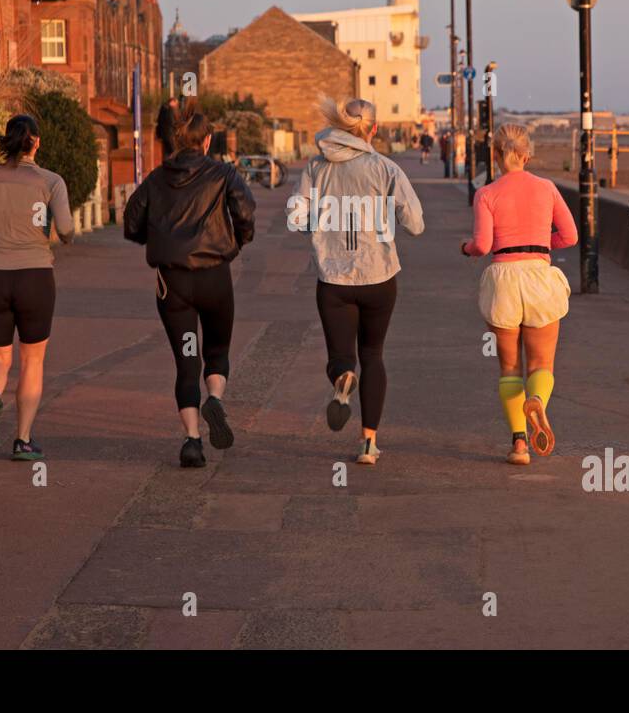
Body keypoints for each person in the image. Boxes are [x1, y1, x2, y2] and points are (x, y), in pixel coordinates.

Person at [287, 99, 424, 465]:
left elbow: (296, 218)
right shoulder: (385, 167)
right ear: (373, 129)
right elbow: (415, 223)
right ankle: (368, 444)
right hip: (379, 274)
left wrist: (318, 223)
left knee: (342, 356)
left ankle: (344, 377)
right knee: (374, 354)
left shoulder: (315, 167)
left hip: (333, 278)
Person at [124, 105, 256, 468]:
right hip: (214, 277)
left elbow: (131, 222)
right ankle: (215, 396)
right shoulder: (223, 173)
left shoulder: (155, 178)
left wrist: (156, 239)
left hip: (174, 284)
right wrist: (239, 241)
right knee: (216, 348)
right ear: (208, 140)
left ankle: (192, 440)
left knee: (186, 360)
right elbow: (245, 210)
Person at [0, 114, 73, 462]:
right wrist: (54, 232)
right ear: (35, 142)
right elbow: (66, 230)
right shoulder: (51, 181)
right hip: (35, 276)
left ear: (7, 140)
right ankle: (22, 440)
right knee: (33, 359)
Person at [461, 123, 578, 466]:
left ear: (496, 156)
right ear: (527, 155)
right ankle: (537, 401)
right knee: (542, 363)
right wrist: (543, 245)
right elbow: (570, 236)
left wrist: (466, 249)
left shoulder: (486, 193)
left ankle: (519, 445)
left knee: (509, 367)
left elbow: (482, 245)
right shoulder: (546, 188)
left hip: (504, 280)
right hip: (540, 276)